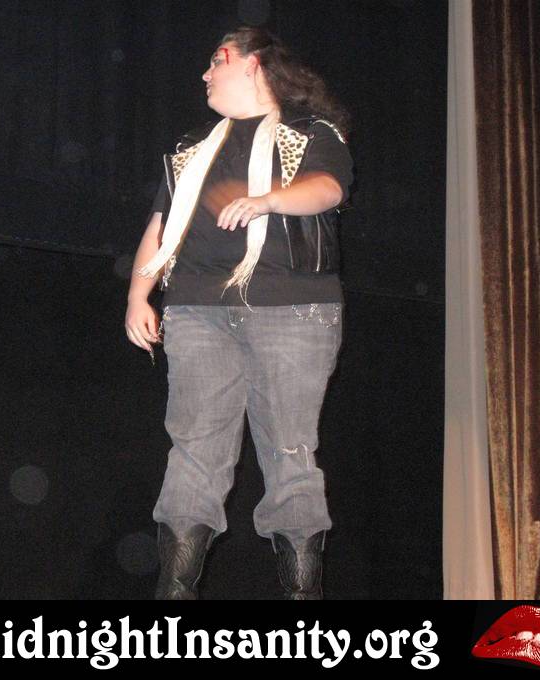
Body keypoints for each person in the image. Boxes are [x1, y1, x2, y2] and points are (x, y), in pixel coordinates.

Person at [125, 26, 354, 600]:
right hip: (197, 308)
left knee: (289, 453)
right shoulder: (190, 148)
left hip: (291, 308)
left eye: (217, 60)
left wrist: (268, 201)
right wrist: (138, 294)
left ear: (255, 64)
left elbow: (328, 189)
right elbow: (161, 226)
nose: (205, 73)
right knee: (193, 452)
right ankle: (173, 600)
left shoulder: (310, 133)